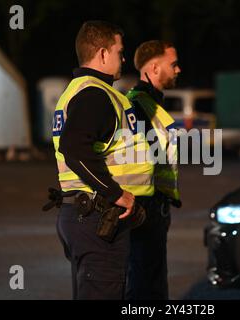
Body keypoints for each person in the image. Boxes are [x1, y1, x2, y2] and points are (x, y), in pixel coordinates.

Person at [51, 21, 154, 300]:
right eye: (119, 51)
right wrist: (116, 193)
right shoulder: (95, 94)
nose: (123, 58)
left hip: (83, 214)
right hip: (96, 216)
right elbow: (74, 148)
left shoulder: (79, 90)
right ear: (102, 53)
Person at [125, 40, 182, 300]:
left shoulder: (152, 105)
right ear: (155, 68)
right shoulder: (138, 105)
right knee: (145, 286)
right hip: (145, 206)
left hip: (155, 206)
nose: (178, 69)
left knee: (150, 282)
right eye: (173, 64)